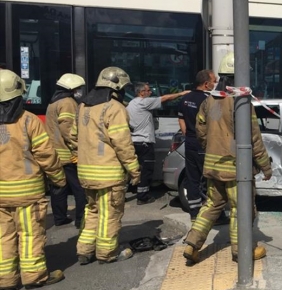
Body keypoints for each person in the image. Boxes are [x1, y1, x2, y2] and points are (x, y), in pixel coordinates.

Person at [183, 53, 273, 264]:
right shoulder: (241, 102)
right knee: (240, 208)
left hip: (213, 166)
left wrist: (213, 148)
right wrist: (265, 166)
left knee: (211, 206)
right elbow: (254, 138)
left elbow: (200, 130)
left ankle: (192, 245)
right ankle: (241, 251)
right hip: (236, 167)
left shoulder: (210, 100)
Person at [0, 70, 66, 290]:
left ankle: (6, 280)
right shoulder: (28, 120)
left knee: (3, 236)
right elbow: (46, 154)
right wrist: (58, 178)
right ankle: (34, 275)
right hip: (28, 193)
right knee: (29, 234)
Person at [76, 67, 141, 264]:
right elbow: (122, 143)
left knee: (92, 210)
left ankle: (84, 251)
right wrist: (134, 169)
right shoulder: (115, 108)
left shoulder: (83, 106)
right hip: (109, 173)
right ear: (117, 87)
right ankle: (106, 253)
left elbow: (73, 134)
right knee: (110, 214)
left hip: (86, 172)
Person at [126, 83, 189, 205]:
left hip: (133, 142)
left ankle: (134, 190)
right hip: (144, 142)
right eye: (148, 90)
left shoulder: (131, 104)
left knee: (135, 169)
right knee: (147, 169)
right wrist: (181, 94)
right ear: (141, 92)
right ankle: (143, 196)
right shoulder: (143, 102)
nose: (150, 93)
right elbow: (165, 98)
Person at [45, 73, 87, 228]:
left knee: (58, 186)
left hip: (54, 153)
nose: (80, 91)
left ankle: (60, 218)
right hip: (67, 153)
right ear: (72, 88)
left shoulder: (53, 102)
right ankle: (80, 220)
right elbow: (68, 128)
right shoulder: (68, 102)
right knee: (80, 188)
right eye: (79, 88)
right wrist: (77, 147)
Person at [177, 70, 216, 220]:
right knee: (210, 178)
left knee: (192, 178)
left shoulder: (186, 98)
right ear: (206, 84)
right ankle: (213, 214)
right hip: (203, 142)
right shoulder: (209, 100)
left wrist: (189, 134)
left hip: (190, 141)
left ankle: (194, 213)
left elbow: (180, 119)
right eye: (213, 81)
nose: (215, 84)